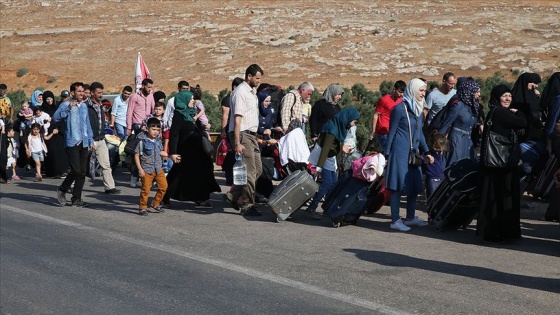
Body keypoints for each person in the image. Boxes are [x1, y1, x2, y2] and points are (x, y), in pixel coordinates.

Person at [477, 84, 527, 242]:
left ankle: (493, 230)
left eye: (510, 96)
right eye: (504, 96)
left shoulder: (494, 112)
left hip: (494, 163)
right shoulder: (500, 112)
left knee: (494, 196)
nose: (508, 99)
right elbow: (522, 123)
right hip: (502, 164)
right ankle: (504, 232)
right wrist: (518, 112)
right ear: (497, 97)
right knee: (504, 198)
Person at [385, 78, 434, 232]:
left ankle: (410, 217)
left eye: (424, 91)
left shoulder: (419, 110)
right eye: (421, 90)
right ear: (413, 90)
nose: (423, 93)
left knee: (414, 184)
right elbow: (391, 133)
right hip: (399, 152)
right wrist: (386, 154)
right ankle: (395, 219)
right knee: (397, 185)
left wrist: (427, 151)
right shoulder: (399, 109)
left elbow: (420, 134)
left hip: (414, 153)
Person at [162, 90, 220, 209]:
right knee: (177, 174)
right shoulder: (179, 115)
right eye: (191, 99)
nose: (193, 101)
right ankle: (164, 196)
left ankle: (200, 198)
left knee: (202, 171)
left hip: (197, 152)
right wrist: (173, 153)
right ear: (184, 100)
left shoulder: (190, 114)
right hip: (185, 152)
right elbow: (174, 134)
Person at [306, 108, 361, 215]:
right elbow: (326, 148)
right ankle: (312, 207)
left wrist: (342, 148)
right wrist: (319, 167)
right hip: (323, 156)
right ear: (348, 118)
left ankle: (328, 207)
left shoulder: (338, 126)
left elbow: (333, 145)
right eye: (354, 121)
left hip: (329, 157)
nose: (354, 124)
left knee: (334, 183)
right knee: (327, 183)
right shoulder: (332, 129)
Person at [225, 64, 264, 216]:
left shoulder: (252, 92)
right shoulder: (241, 92)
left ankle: (233, 194)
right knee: (250, 171)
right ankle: (247, 204)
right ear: (249, 76)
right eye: (257, 78)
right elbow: (237, 119)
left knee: (258, 169)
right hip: (242, 134)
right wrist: (237, 142)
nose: (259, 81)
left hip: (251, 135)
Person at [53, 82, 95, 207]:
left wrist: (91, 140)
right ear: (72, 93)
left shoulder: (83, 106)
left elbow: (87, 124)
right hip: (72, 141)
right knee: (76, 170)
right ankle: (62, 189)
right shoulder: (65, 104)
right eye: (79, 91)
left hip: (84, 141)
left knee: (82, 172)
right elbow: (55, 118)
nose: (82, 94)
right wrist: (68, 108)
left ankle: (76, 198)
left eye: (83, 91)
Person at [86, 82, 120, 194]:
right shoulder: (86, 105)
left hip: (100, 139)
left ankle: (110, 187)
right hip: (89, 140)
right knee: (80, 166)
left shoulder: (100, 105)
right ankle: (71, 185)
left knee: (106, 164)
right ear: (92, 93)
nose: (101, 95)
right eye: (99, 92)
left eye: (102, 92)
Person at [438, 80, 481, 166]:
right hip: (457, 141)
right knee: (455, 165)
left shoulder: (473, 107)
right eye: (477, 91)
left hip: (468, 141)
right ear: (469, 91)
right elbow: (445, 125)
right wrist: (440, 144)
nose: (479, 94)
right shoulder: (458, 106)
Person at [134, 117, 168, 216]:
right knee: (146, 190)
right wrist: (140, 169)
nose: (155, 132)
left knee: (164, 187)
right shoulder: (142, 141)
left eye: (158, 130)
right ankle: (143, 207)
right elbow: (136, 155)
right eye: (153, 129)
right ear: (147, 128)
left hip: (158, 168)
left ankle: (155, 203)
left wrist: (167, 155)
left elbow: (160, 152)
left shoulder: (158, 141)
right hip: (146, 169)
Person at [220, 77, 244, 185]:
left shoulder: (235, 98)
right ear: (235, 87)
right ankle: (231, 178)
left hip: (236, 129)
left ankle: (233, 178)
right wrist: (223, 131)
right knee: (232, 155)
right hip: (230, 130)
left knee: (234, 155)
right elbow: (225, 116)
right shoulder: (228, 99)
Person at [370, 80, 406, 152]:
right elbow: (376, 115)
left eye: (402, 92)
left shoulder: (401, 101)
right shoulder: (384, 100)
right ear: (394, 89)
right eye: (399, 92)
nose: (401, 94)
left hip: (394, 130)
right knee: (387, 152)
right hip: (383, 130)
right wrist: (373, 130)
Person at [41, 90, 69, 179]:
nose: (50, 101)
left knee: (61, 152)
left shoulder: (57, 107)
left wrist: (57, 128)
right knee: (51, 152)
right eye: (47, 99)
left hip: (58, 133)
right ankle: (52, 171)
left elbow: (60, 118)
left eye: (51, 98)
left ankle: (62, 171)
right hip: (48, 134)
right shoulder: (42, 109)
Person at [511, 72, 542, 142]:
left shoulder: (532, 95)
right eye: (533, 83)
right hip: (520, 130)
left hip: (533, 129)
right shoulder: (514, 96)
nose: (536, 86)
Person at [424, 131, 448, 198]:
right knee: (432, 199)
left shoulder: (441, 155)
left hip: (441, 179)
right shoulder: (430, 154)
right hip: (432, 180)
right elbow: (423, 160)